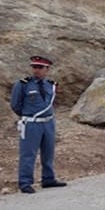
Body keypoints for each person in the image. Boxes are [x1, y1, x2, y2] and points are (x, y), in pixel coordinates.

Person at [10, 56, 67, 194]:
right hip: (31, 123)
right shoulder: (23, 84)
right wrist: (27, 115)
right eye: (34, 67)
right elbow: (15, 105)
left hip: (48, 123)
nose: (36, 70)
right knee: (28, 154)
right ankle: (25, 182)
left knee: (48, 152)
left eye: (40, 67)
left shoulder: (51, 85)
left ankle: (48, 179)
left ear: (47, 69)